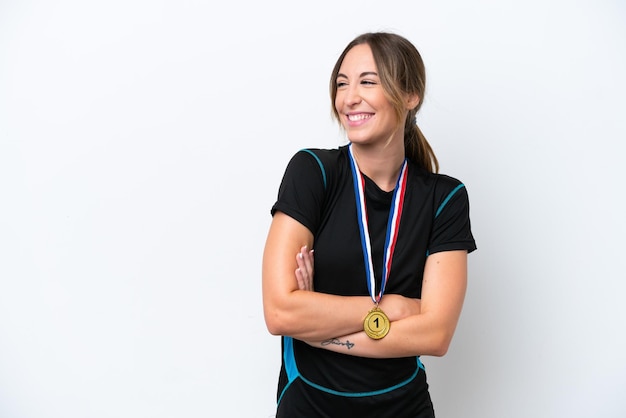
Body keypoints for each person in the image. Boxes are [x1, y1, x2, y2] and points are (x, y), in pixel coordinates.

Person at [262, 31, 477, 417]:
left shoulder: (444, 198)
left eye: (367, 82)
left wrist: (318, 330)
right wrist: (391, 307)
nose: (349, 98)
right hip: (312, 404)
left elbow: (436, 334)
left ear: (410, 95)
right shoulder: (313, 172)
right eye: (341, 84)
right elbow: (280, 312)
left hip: (403, 406)